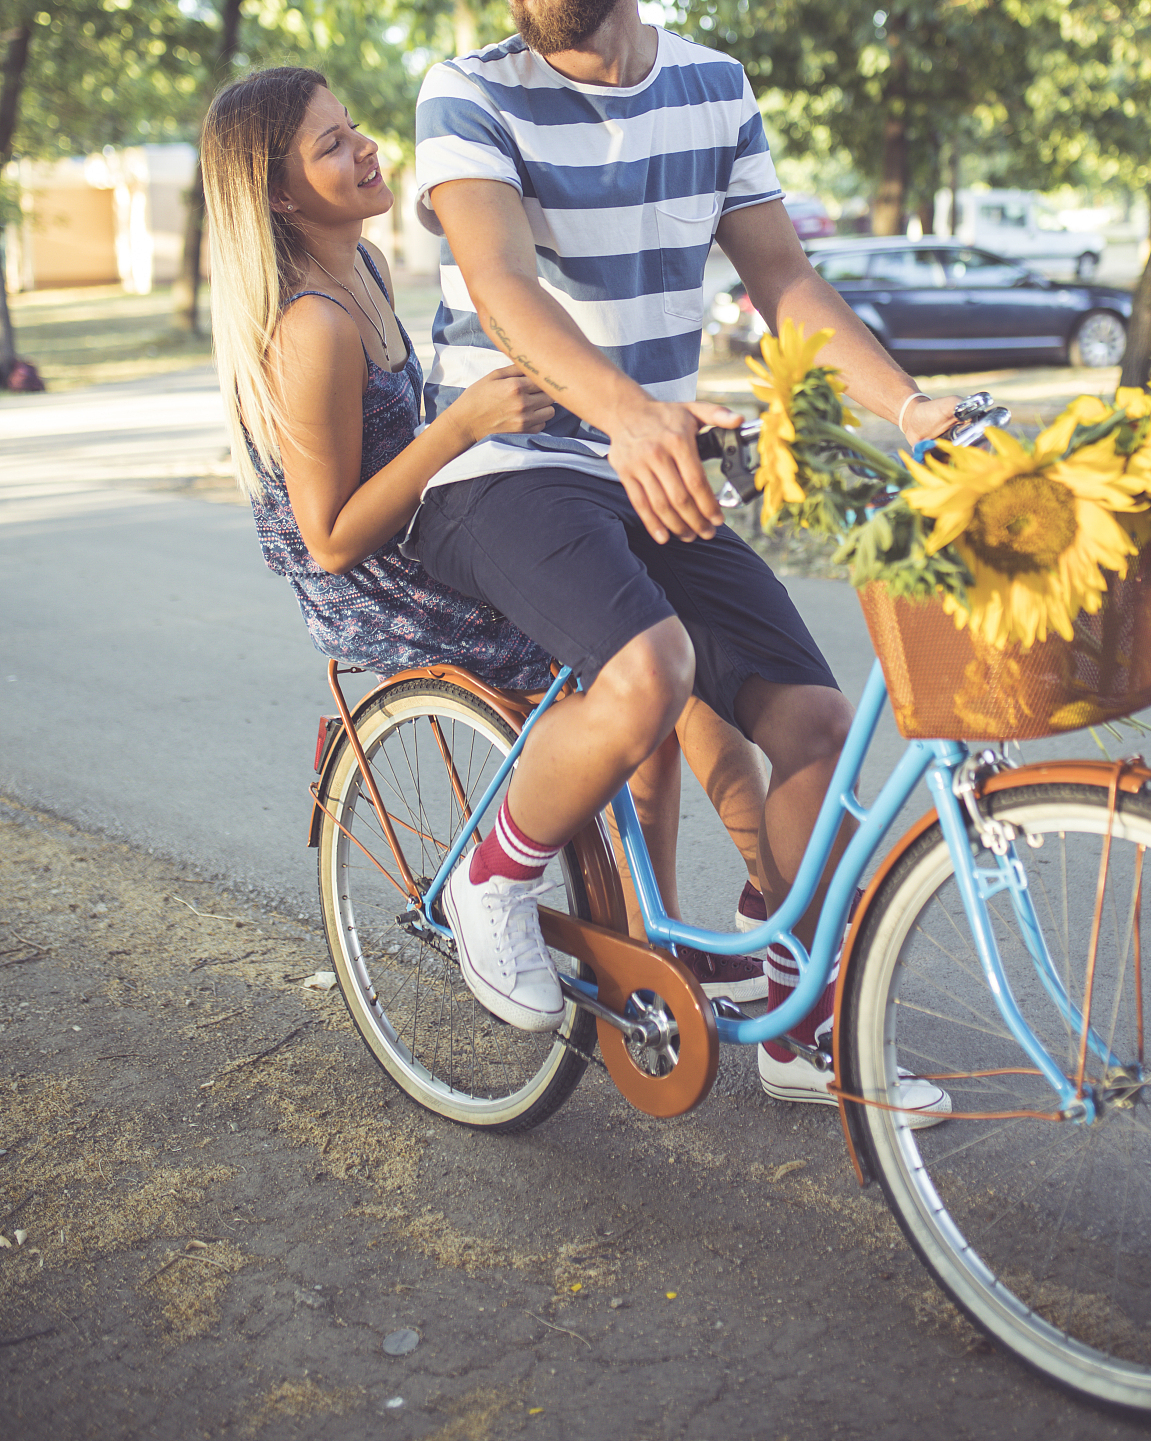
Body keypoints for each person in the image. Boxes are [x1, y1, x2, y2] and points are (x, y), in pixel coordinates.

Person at [409, 0, 958, 1114]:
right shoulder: (467, 90)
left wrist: (910, 405)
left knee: (815, 724)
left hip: (646, 460)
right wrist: (631, 415)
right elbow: (502, 285)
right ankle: (495, 874)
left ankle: (793, 1012)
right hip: (505, 464)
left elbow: (785, 281)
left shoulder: (714, 85)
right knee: (650, 672)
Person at [199, 64, 768, 1001]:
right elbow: (330, 540)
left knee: (667, 646)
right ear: (280, 196)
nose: (365, 148)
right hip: (377, 578)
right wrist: (461, 427)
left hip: (425, 514)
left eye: (353, 125)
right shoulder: (310, 326)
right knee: (637, 670)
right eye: (331, 145)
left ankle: (650, 941)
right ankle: (512, 891)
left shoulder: (364, 267)